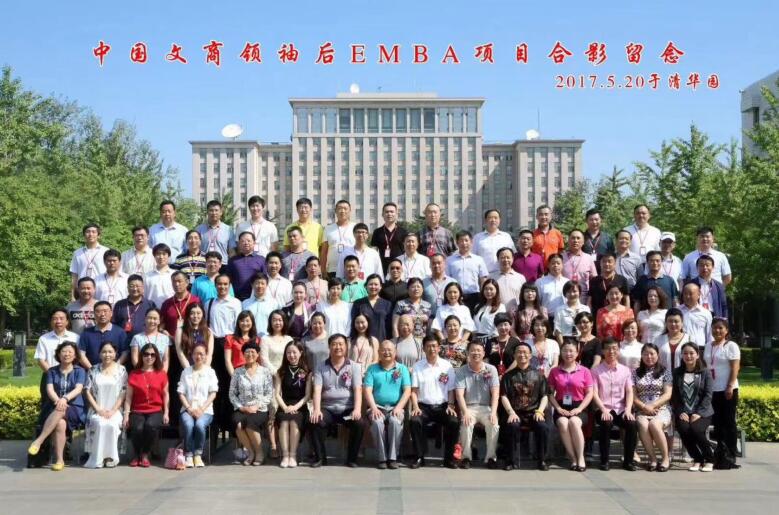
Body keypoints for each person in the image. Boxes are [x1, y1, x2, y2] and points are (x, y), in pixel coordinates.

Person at [27, 341, 86, 472]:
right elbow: (49, 389)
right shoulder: (52, 371)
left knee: (60, 409)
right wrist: (58, 400)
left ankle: (38, 441)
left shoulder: (80, 371)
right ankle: (60, 460)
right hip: (55, 406)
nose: (67, 354)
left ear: (75, 355)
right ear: (58, 354)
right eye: (64, 351)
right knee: (60, 423)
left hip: (74, 408)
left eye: (70, 352)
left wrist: (64, 399)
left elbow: (78, 389)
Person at [310, 334, 364, 467]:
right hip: (328, 408)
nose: (337, 347)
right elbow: (317, 390)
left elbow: (358, 390)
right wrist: (316, 410)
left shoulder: (354, 367)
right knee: (315, 421)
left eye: (341, 344)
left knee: (359, 423)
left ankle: (351, 459)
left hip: (347, 408)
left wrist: (357, 409)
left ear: (346, 347)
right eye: (334, 344)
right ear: (329, 347)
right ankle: (320, 458)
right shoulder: (320, 366)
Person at [409, 335, 459, 469]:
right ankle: (419, 457)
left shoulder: (447, 366)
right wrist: (415, 407)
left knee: (453, 422)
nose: (432, 349)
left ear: (439, 348)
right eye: (428, 346)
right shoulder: (418, 366)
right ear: (424, 349)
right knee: (415, 421)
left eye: (434, 346)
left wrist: (451, 405)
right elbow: (414, 390)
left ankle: (449, 459)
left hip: (443, 406)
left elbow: (451, 389)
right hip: (423, 407)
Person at [499, 341, 551, 471]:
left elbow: (544, 395)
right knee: (512, 426)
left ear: (530, 355)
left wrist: (540, 411)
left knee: (543, 427)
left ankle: (542, 460)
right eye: (519, 352)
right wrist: (511, 412)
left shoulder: (539, 375)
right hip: (515, 412)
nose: (522, 355)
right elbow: (503, 396)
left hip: (533, 413)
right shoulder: (508, 376)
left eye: (525, 352)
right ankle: (510, 461)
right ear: (514, 355)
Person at [591, 338, 638, 471]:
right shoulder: (596, 371)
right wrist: (603, 409)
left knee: (632, 424)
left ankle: (628, 461)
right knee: (606, 423)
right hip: (603, 408)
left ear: (618, 350)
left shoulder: (626, 370)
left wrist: (628, 409)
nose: (611, 351)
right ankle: (604, 461)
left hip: (621, 408)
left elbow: (629, 391)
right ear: (603, 351)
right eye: (608, 348)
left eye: (614, 348)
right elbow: (594, 393)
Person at [364, 340, 412, 469]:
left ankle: (392, 457)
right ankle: (382, 458)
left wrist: (399, 407)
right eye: (383, 350)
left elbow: (407, 390)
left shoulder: (402, 369)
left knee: (395, 422)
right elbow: (367, 390)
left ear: (395, 352)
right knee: (377, 423)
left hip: (395, 407)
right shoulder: (372, 369)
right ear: (379, 352)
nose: (387, 352)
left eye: (389, 350)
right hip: (377, 406)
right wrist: (374, 408)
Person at [547, 339, 594, 471]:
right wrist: (558, 408)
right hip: (561, 406)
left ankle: (580, 458)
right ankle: (572, 458)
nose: (568, 354)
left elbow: (590, 393)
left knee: (574, 422)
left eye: (571, 351)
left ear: (577, 353)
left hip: (580, 406)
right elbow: (550, 393)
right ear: (561, 353)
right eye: (565, 351)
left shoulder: (584, 371)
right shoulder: (554, 371)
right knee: (563, 423)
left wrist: (579, 408)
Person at [206, 274, 243, 434]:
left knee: (230, 383)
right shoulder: (209, 303)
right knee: (215, 383)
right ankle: (215, 424)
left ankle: (230, 424)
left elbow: (239, 326)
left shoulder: (236, 303)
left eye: (225, 284)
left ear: (230, 286)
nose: (222, 287)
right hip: (214, 345)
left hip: (230, 343)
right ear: (215, 286)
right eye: (219, 284)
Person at [455, 341, 501, 469]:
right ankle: (466, 457)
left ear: (484, 353)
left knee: (493, 424)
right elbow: (459, 395)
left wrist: (493, 412)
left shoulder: (491, 369)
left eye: (479, 350)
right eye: (473, 350)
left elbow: (495, 393)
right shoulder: (461, 371)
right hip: (469, 407)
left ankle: (491, 457)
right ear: (468, 353)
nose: (476, 353)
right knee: (466, 424)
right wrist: (465, 412)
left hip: (486, 407)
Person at [123, 343, 169, 468]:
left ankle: (145, 454)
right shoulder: (134, 374)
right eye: (146, 354)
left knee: (150, 426)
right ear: (141, 356)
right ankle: (136, 454)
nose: (149, 357)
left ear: (156, 357)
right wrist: (126, 415)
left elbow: (166, 394)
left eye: (152, 355)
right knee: (137, 428)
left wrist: (166, 412)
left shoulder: (161, 374)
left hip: (155, 410)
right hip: (137, 409)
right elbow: (128, 397)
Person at [229, 341, 274, 466]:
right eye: (247, 352)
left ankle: (260, 453)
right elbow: (232, 394)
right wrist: (242, 407)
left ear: (258, 354)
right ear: (243, 354)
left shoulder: (265, 372)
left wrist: (257, 406)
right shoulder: (238, 372)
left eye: (253, 352)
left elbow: (269, 393)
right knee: (238, 424)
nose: (250, 354)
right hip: (242, 407)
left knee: (249, 423)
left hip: (259, 408)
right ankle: (251, 452)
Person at [672, 342, 715, 472]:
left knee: (696, 430)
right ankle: (697, 459)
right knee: (684, 429)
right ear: (682, 355)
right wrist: (680, 411)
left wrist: (699, 413)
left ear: (697, 355)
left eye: (691, 353)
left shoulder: (705, 372)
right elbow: (675, 395)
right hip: (684, 411)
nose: (688, 356)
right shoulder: (677, 372)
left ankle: (710, 459)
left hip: (703, 412)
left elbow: (708, 394)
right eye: (685, 353)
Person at [83, 341, 127, 468]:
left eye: (110, 352)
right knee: (100, 424)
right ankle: (98, 457)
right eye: (104, 352)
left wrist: (113, 410)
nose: (107, 354)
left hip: (115, 410)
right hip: (97, 409)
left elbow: (123, 391)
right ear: (99, 354)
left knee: (112, 425)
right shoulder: (93, 370)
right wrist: (98, 409)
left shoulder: (121, 370)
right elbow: (87, 391)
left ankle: (110, 457)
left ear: (115, 353)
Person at [704, 318, 741, 468]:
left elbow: (735, 368)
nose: (717, 331)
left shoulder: (731, 346)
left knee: (729, 422)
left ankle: (730, 454)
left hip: (727, 389)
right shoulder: (708, 345)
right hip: (713, 389)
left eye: (720, 328)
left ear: (726, 330)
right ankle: (720, 452)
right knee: (717, 423)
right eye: (714, 328)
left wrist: (730, 386)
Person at [632, 343, 673, 472]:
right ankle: (653, 459)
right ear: (641, 356)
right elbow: (633, 396)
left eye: (652, 354)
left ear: (657, 355)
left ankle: (665, 458)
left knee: (654, 424)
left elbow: (668, 394)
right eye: (645, 354)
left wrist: (653, 405)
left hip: (661, 408)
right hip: (642, 409)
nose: (649, 357)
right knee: (642, 424)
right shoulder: (635, 373)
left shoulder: (665, 372)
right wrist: (645, 407)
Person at [177, 344, 219, 467]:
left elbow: (213, 393)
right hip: (187, 409)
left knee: (200, 425)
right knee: (189, 425)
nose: (198, 356)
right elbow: (181, 393)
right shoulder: (186, 372)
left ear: (206, 356)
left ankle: (198, 454)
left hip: (205, 410)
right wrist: (189, 408)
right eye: (196, 353)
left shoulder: (210, 372)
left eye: (201, 354)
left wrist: (202, 409)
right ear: (192, 355)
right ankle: (189, 454)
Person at [274, 341, 312, 468]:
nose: (291, 355)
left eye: (294, 352)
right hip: (284, 405)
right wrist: (285, 407)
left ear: (300, 353)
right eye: (288, 352)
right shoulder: (281, 372)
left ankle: (293, 455)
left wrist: (295, 407)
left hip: (300, 406)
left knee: (294, 421)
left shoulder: (307, 372)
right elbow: (277, 394)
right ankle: (285, 456)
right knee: (284, 421)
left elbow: (307, 395)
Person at [35, 309, 79, 397]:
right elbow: (41, 360)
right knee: (49, 405)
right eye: (55, 318)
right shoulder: (44, 339)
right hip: (50, 379)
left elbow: (78, 357)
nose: (58, 321)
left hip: (71, 378)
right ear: (51, 321)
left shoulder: (76, 338)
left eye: (61, 318)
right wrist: (54, 376)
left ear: (67, 321)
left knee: (71, 404)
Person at [446, 230, 489, 310]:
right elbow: (447, 279)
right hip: (455, 296)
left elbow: (483, 279)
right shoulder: (449, 260)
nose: (464, 243)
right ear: (457, 243)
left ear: (471, 242)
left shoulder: (479, 260)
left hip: (474, 296)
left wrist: (483, 296)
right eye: (461, 241)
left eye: (466, 240)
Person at [78, 301, 128, 369]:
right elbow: (81, 354)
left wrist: (115, 368)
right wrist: (92, 370)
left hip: (115, 371)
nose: (102, 314)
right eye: (98, 312)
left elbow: (125, 352)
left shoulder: (120, 332)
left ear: (111, 313)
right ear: (94, 314)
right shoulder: (86, 333)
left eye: (105, 311)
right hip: (92, 371)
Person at [70, 223, 108, 299]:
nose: (90, 234)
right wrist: (72, 295)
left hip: (101, 289)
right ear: (84, 235)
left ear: (98, 235)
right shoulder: (77, 253)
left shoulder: (106, 251)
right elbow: (74, 276)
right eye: (88, 232)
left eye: (93, 232)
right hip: (83, 290)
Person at [112, 275, 156, 340]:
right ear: (127, 288)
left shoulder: (150, 304)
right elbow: (114, 324)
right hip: (123, 341)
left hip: (144, 341)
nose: (135, 289)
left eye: (137, 286)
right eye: (132, 286)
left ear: (143, 288)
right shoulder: (119, 304)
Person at [351, 274, 393, 342]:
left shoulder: (387, 304)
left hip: (382, 342)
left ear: (380, 287)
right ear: (366, 286)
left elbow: (389, 327)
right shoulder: (358, 303)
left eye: (376, 284)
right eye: (370, 284)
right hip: (363, 342)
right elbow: (353, 324)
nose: (373, 287)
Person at [473, 209, 516, 274]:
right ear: (485, 220)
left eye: (496, 218)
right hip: (484, 275)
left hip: (502, 274)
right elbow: (473, 257)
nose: (493, 220)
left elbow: (513, 255)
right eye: (490, 218)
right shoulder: (477, 238)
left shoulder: (506, 236)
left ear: (499, 220)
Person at [227, 232, 267, 301]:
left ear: (254, 243)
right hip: (236, 298)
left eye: (249, 241)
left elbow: (265, 279)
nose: (246, 243)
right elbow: (228, 279)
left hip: (255, 298)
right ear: (239, 244)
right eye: (243, 241)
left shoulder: (261, 260)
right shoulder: (232, 261)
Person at [686, 255, 728, 319]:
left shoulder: (719, 286)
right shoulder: (690, 285)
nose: (705, 268)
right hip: (695, 316)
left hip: (714, 317)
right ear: (697, 267)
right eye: (702, 265)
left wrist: (725, 321)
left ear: (713, 267)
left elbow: (724, 305)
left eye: (707, 265)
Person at [563, 229, 598, 305]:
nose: (575, 240)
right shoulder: (562, 257)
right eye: (573, 238)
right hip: (564, 299)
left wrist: (590, 301)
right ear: (568, 241)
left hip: (583, 299)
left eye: (578, 238)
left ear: (583, 242)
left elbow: (595, 280)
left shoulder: (588, 258)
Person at [371, 202, 408, 274]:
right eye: (387, 212)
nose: (389, 214)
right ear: (382, 214)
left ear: (396, 214)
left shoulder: (403, 232)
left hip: (399, 268)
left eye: (392, 212)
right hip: (382, 268)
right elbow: (374, 251)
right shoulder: (377, 232)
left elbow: (406, 251)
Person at [160, 272, 200, 337]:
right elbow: (160, 326)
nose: (176, 284)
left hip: (191, 340)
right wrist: (163, 332)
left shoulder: (196, 301)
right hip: (171, 340)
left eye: (179, 281)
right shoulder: (166, 303)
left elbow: (202, 323)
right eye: (174, 282)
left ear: (187, 282)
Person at [175, 303, 214, 369]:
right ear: (188, 315)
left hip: (204, 369)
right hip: (186, 368)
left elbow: (209, 354)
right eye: (192, 313)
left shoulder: (208, 332)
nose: (195, 316)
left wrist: (204, 370)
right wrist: (189, 370)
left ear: (203, 314)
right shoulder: (180, 331)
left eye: (198, 313)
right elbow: (180, 353)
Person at [196, 199, 235, 264]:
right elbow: (195, 249)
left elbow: (231, 251)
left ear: (221, 212)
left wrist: (232, 265)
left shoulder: (228, 229)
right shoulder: (199, 229)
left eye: (216, 210)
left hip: (222, 265)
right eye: (211, 210)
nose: (214, 213)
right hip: (204, 264)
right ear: (207, 212)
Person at [224, 310, 261, 377]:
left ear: (252, 322)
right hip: (236, 373)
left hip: (254, 374)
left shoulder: (257, 340)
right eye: (242, 321)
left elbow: (259, 360)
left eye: (247, 321)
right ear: (238, 322)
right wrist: (235, 377)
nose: (245, 323)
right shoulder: (230, 339)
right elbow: (227, 361)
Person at [679, 283, 713, 348]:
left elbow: (710, 335)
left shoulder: (706, 313)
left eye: (690, 294)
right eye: (685, 294)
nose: (687, 296)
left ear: (698, 295)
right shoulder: (677, 311)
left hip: (699, 348)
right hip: (681, 348)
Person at [144, 244, 175, 309]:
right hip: (151, 311)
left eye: (164, 254)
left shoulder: (174, 274)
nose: (161, 257)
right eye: (158, 254)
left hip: (171, 309)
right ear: (154, 256)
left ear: (169, 256)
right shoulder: (147, 276)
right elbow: (144, 296)